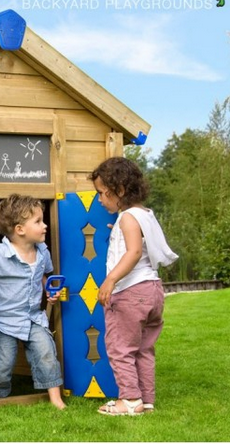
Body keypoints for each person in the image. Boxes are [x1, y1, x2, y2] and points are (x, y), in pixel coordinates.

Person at [90, 157, 178, 416]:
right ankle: (146, 400)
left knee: (120, 348)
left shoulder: (127, 218)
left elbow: (134, 252)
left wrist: (110, 280)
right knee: (144, 349)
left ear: (119, 190)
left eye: (101, 193)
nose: (99, 199)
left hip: (130, 293)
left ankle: (129, 400)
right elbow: (140, 243)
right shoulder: (144, 215)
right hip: (152, 291)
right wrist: (117, 229)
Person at [0, 194, 66, 410]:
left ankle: (56, 398)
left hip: (32, 318)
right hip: (2, 321)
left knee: (46, 352)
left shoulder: (42, 251)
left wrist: (49, 290)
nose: (45, 225)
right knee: (1, 364)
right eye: (38, 221)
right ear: (20, 229)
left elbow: (43, 275)